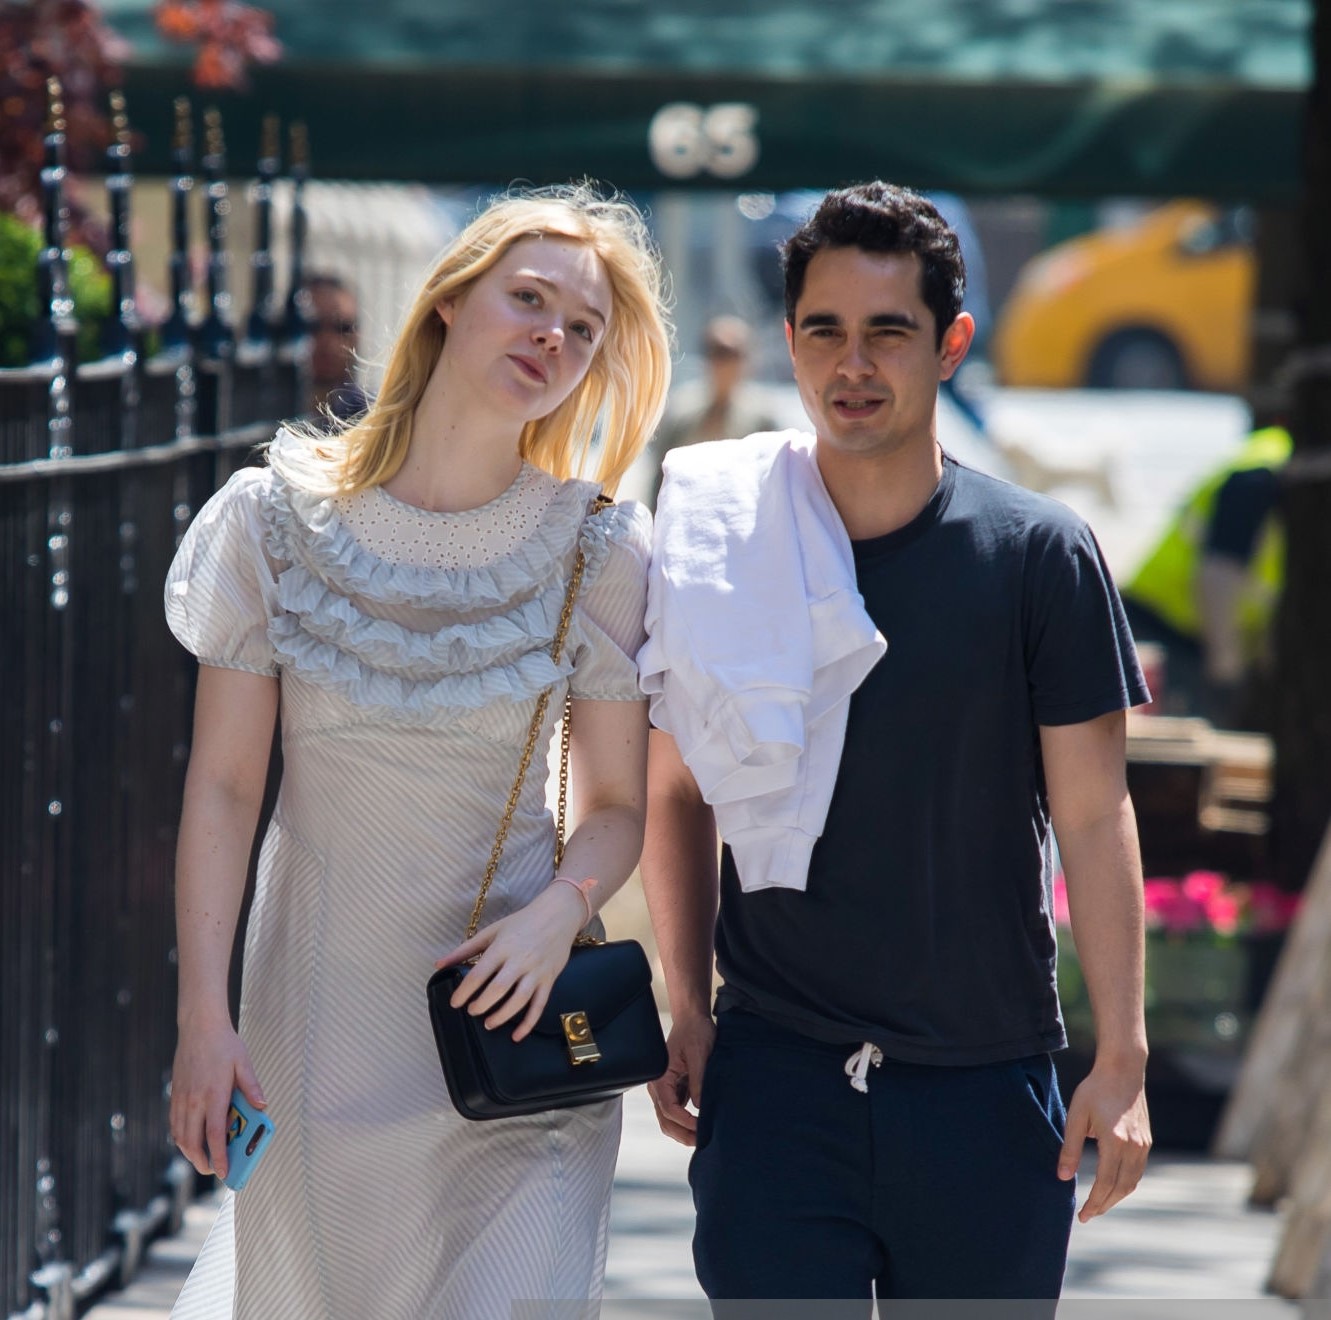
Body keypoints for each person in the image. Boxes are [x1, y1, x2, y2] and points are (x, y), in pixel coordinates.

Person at [638, 182, 1152, 1307]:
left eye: (887, 332)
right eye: (823, 330)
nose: (851, 364)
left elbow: (1091, 809)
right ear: (788, 339)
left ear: (950, 343)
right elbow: (673, 791)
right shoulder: (729, 538)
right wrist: (687, 1002)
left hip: (984, 1083)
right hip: (775, 1080)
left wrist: (1120, 1058)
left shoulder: (1037, 557)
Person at [164, 183, 672, 1319]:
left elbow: (617, 808)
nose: (552, 336)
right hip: (318, 1036)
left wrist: (558, 914)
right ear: (449, 304)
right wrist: (205, 1018)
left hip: (517, 1038)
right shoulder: (270, 524)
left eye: (581, 329)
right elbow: (225, 787)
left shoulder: (598, 548)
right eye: (528, 299)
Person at [1121, 421, 1290, 729]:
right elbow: (1218, 576)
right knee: (1169, 750)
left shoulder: (1282, 464)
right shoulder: (1263, 472)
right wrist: (1227, 667)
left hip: (1200, 637)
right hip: (1163, 627)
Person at [644, 315, 776, 508]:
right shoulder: (682, 413)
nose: (725, 365)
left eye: (733, 355)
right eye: (719, 353)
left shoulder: (762, 419)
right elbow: (660, 478)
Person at [303, 271, 371, 422]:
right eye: (313, 327)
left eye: (343, 328)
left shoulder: (374, 418)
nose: (328, 340)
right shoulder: (264, 411)